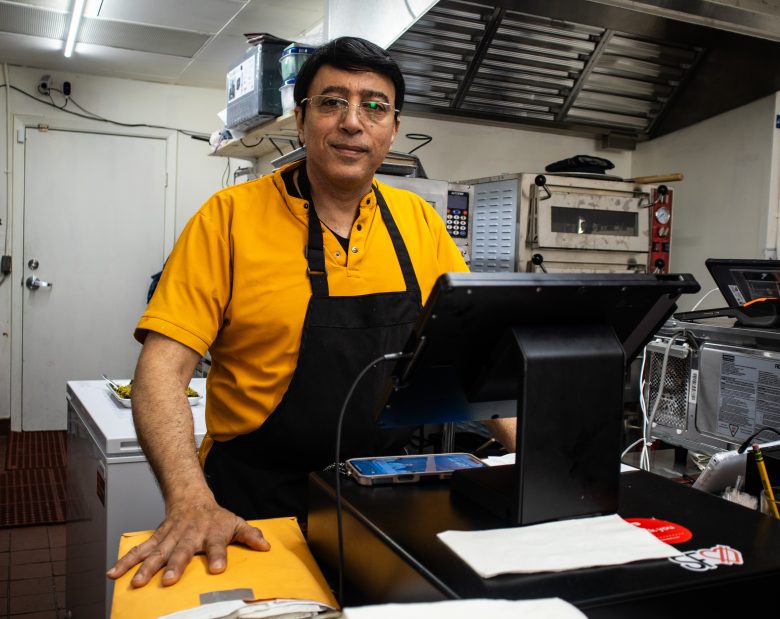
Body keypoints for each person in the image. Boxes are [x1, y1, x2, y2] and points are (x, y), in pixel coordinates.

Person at [108, 36, 516, 589]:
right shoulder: (228, 220)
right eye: (332, 102)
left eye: (375, 106)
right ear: (301, 121)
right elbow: (161, 371)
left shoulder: (418, 221)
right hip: (253, 507)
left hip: (382, 498)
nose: (353, 122)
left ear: (392, 129)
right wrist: (189, 500)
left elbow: (474, 358)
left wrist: (547, 462)